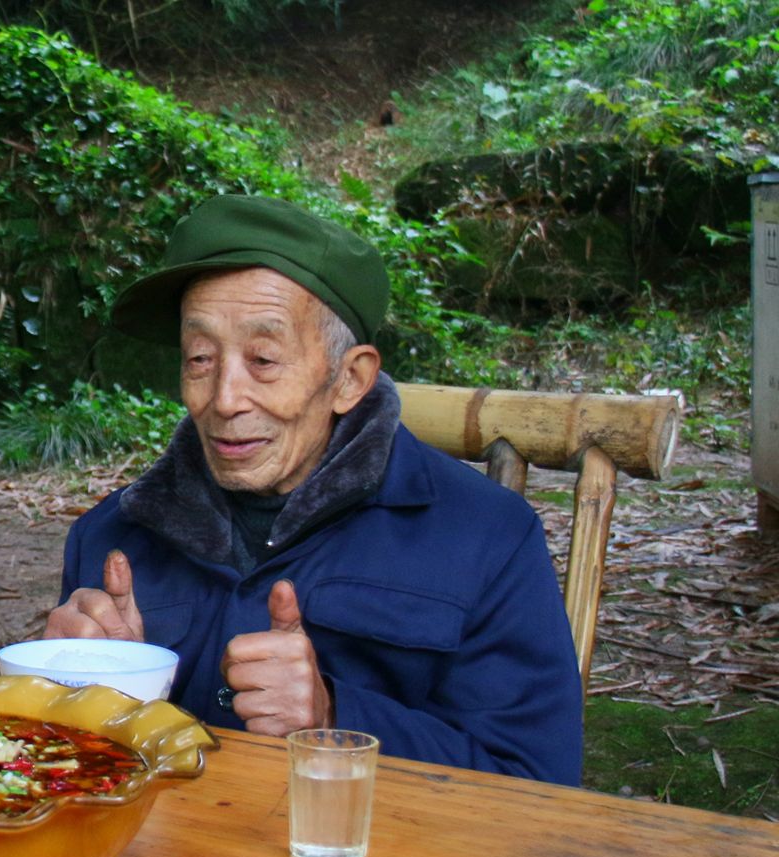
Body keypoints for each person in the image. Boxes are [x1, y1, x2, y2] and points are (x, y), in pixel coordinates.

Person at [47, 195, 581, 784]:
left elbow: (539, 786)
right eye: (200, 357)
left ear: (349, 378)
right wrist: (76, 691)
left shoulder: (485, 538)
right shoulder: (111, 538)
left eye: (265, 359)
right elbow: (70, 782)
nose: (224, 399)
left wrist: (335, 718)